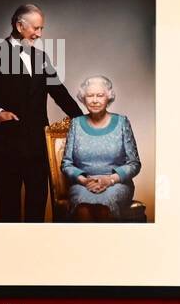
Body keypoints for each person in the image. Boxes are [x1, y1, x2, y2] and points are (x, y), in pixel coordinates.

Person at [0, 3, 83, 221]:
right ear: (20, 25)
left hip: (39, 147)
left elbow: (60, 93)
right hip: (6, 146)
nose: (39, 34)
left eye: (41, 29)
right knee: (9, 207)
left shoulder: (41, 57)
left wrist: (83, 121)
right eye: (36, 28)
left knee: (37, 207)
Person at [60, 74, 141, 221]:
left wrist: (110, 180)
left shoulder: (122, 122)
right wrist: (84, 181)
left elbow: (134, 163)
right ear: (83, 98)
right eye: (90, 95)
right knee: (82, 207)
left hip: (116, 184)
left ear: (108, 97)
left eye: (100, 95)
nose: (95, 100)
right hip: (83, 185)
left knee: (105, 207)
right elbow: (66, 164)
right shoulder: (76, 124)